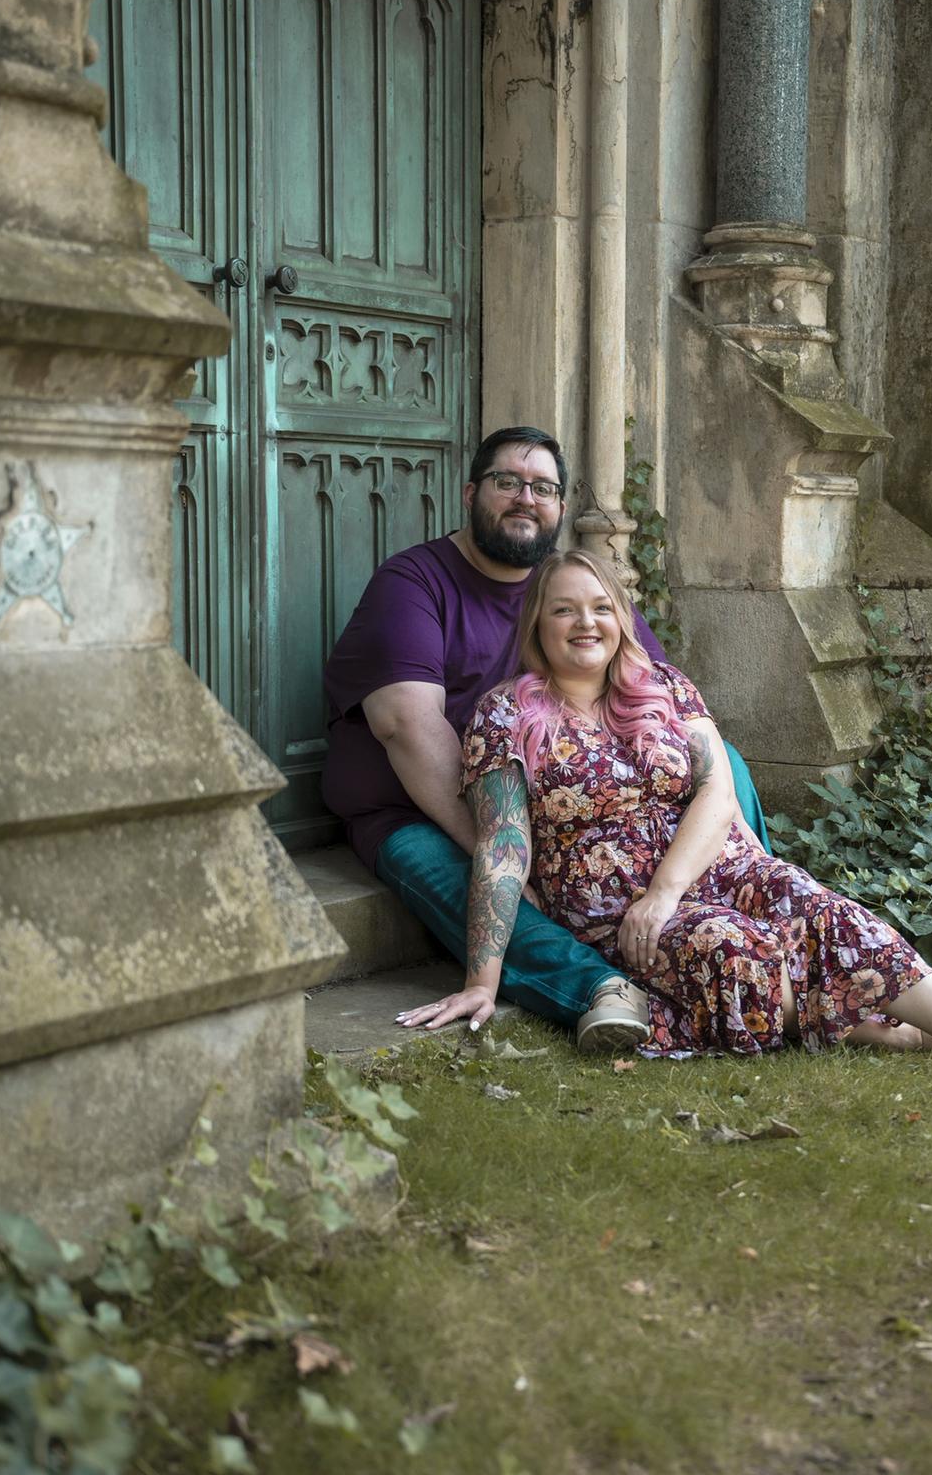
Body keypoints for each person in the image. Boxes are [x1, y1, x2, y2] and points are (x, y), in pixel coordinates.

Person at [396, 550, 932, 1088]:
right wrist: (481, 981)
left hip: (713, 867)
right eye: (565, 610)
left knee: (825, 911)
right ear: (537, 625)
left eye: (602, 607)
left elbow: (716, 791)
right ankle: (896, 1032)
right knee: (735, 952)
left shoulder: (666, 688)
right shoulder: (505, 713)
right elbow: (504, 845)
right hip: (617, 908)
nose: (586, 623)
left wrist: (667, 892)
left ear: (621, 618)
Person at [322, 426, 770, 1053]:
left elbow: (659, 703)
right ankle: (606, 992)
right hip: (422, 806)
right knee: (482, 879)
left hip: (569, 795)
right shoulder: (413, 582)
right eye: (508, 482)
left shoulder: (576, 589)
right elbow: (407, 728)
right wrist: (509, 854)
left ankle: (755, 918)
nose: (525, 499)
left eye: (544, 488)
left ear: (561, 506)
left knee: (722, 764)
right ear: (471, 493)